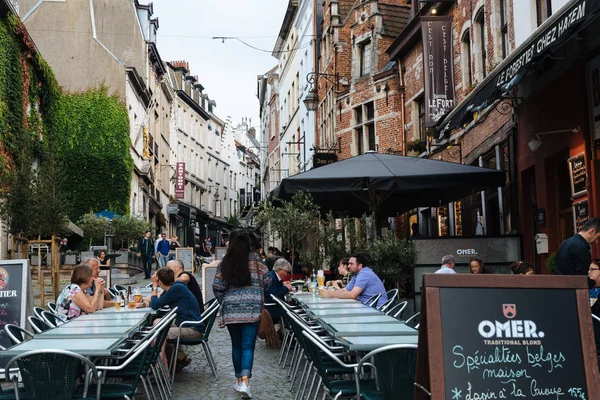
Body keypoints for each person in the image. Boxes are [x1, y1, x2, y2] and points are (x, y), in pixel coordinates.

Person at [212, 229, 268, 399]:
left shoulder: (225, 262)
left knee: (236, 345)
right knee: (248, 345)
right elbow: (267, 280)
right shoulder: (257, 261)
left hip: (231, 310)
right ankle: (245, 381)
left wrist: (226, 301)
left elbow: (217, 286)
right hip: (252, 308)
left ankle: (238, 379)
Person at [150, 268, 204, 372]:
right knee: (157, 322)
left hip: (193, 327)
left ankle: (163, 370)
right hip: (184, 322)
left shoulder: (176, 288)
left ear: (160, 282)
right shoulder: (175, 287)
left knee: (158, 334)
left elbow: (155, 305)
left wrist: (154, 286)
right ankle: (180, 357)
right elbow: (160, 300)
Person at [320, 254, 388, 308]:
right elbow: (345, 290)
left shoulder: (364, 274)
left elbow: (353, 295)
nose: (348, 266)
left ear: (360, 266)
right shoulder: (356, 275)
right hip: (365, 305)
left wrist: (331, 294)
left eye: (351, 264)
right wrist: (329, 291)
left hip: (376, 309)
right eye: (348, 263)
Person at [264, 258, 293, 323]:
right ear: (280, 270)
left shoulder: (272, 275)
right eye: (287, 272)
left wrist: (283, 285)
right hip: (273, 308)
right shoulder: (272, 278)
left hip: (274, 306)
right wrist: (286, 288)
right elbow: (275, 295)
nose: (287, 274)